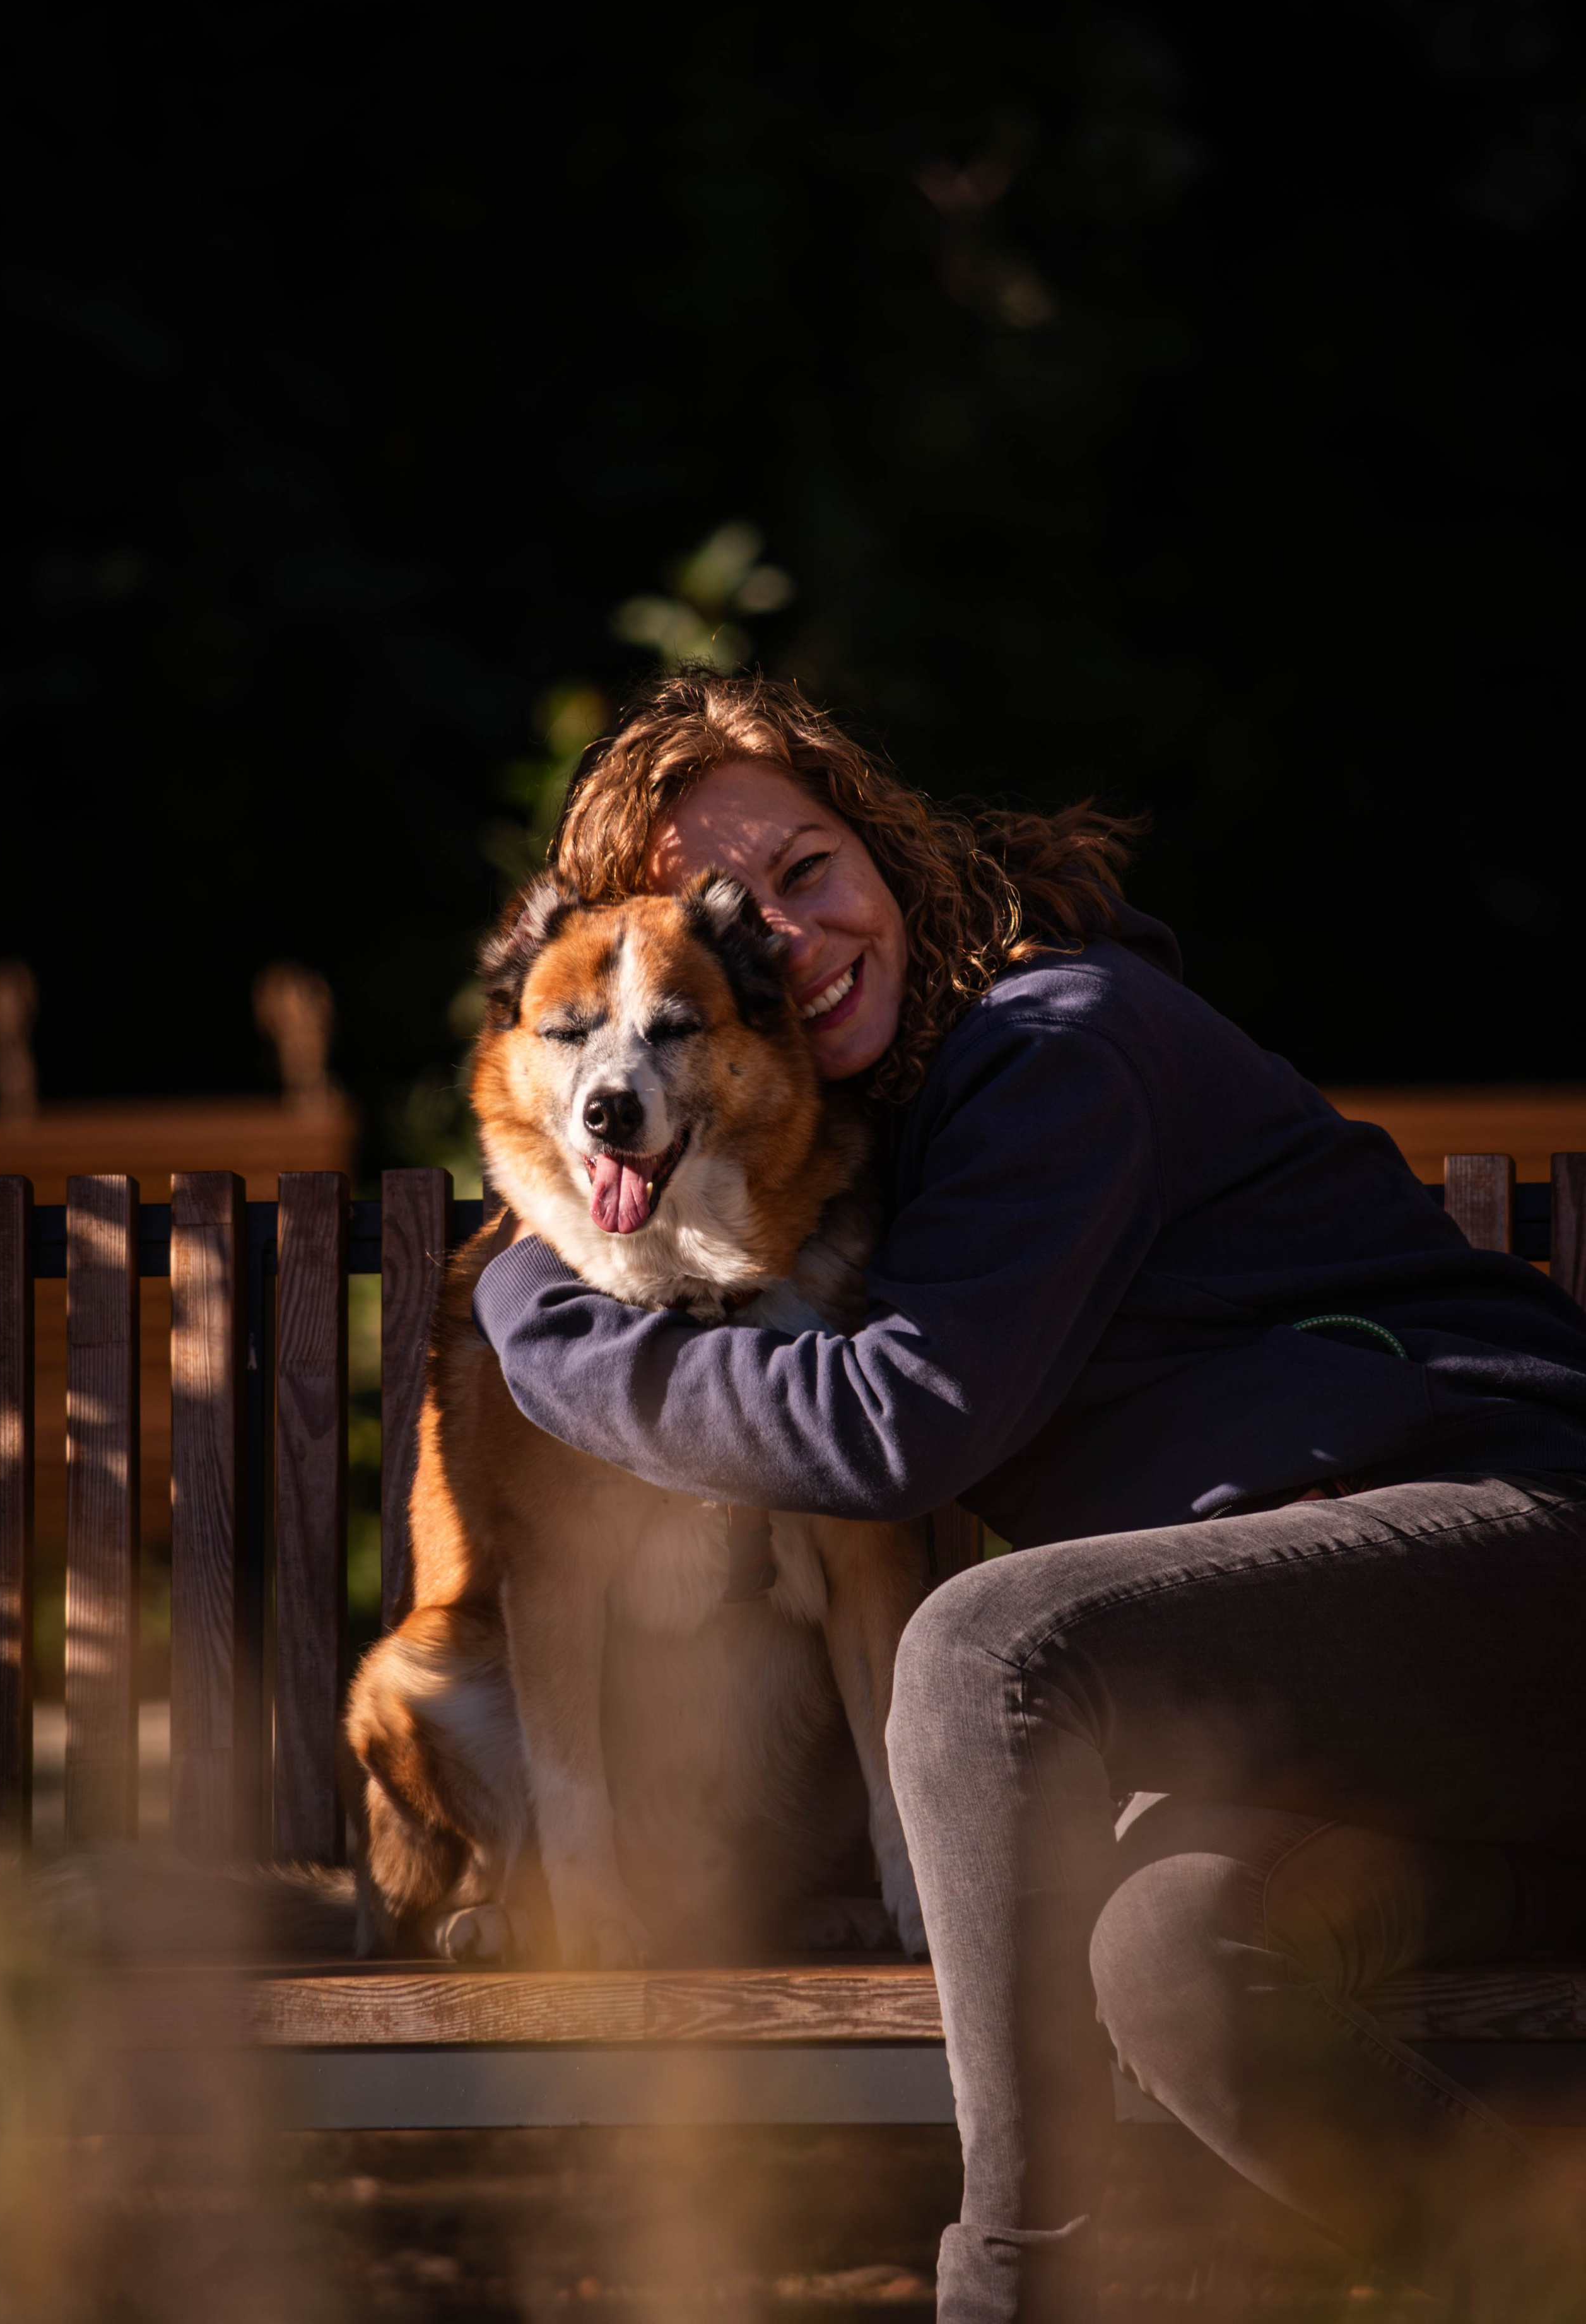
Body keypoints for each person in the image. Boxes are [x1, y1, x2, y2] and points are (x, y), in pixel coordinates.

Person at [473, 671, 1586, 2322]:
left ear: (891, 854)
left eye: (806, 868)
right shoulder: (872, 1154)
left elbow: (888, 1433)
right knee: (1176, 1959)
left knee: (989, 1643)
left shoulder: (1059, 1043)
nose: (786, 930)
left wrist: (531, 1323)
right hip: (1410, 1766)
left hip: (1503, 1558)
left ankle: (1014, 2289)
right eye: (730, 917)